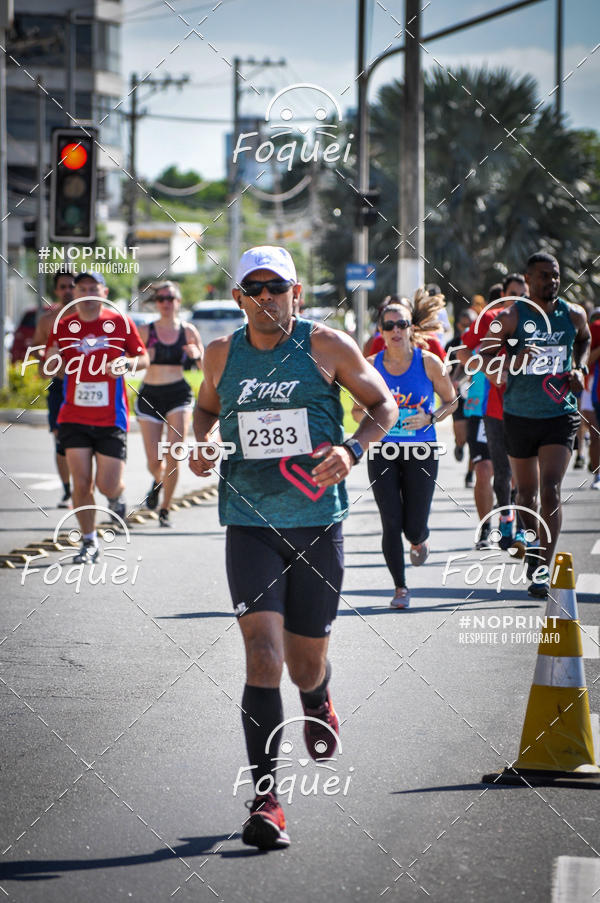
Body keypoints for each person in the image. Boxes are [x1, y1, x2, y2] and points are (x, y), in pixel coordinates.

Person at [189, 246, 397, 850]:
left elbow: (383, 405)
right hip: (248, 523)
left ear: (296, 292)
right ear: (239, 297)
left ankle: (318, 694)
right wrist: (200, 443)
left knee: (304, 665)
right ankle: (266, 800)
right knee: (262, 657)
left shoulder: (326, 346)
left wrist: (352, 450)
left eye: (276, 287)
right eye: (254, 288)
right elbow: (205, 410)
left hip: (316, 524)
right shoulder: (222, 354)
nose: (266, 297)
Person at [480, 251, 591, 598]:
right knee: (524, 493)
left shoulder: (573, 314)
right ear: (527, 280)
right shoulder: (510, 316)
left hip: (560, 414)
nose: (552, 281)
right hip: (519, 414)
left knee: (551, 489)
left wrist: (580, 367)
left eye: (555, 275)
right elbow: (483, 353)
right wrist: (511, 359)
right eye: (544, 275)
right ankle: (534, 549)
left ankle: (544, 563)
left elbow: (585, 339)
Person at [354, 292, 456, 608]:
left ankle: (419, 538)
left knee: (413, 525)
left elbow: (452, 401)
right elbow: (357, 411)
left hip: (421, 451)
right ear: (381, 331)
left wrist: (430, 416)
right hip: (382, 450)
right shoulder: (370, 367)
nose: (396, 330)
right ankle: (400, 588)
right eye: (389, 325)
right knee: (390, 521)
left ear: (411, 328)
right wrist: (376, 417)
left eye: (402, 324)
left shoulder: (429, 363)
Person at [43, 271, 149, 563]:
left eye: (94, 288)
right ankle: (88, 541)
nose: (88, 294)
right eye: (82, 289)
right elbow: (49, 364)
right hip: (73, 417)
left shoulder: (120, 322)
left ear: (104, 293)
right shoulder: (63, 325)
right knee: (82, 483)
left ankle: (116, 498)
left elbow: (143, 358)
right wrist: (54, 362)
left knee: (107, 483)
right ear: (75, 294)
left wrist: (127, 363)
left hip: (110, 418)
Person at [457, 274, 529, 550]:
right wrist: (489, 370)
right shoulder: (491, 319)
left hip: (530, 409)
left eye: (523, 294)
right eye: (512, 293)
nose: (518, 300)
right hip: (489, 407)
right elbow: (463, 351)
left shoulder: (539, 322)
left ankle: (520, 529)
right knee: (492, 471)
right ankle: (493, 524)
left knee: (524, 473)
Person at [135, 281, 203, 527]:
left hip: (178, 395)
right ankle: (158, 480)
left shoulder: (189, 331)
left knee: (174, 454)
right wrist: (143, 359)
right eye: (161, 299)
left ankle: (165, 509)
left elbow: (207, 369)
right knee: (154, 460)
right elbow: (128, 362)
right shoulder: (145, 331)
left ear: (178, 301)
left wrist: (197, 357)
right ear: (157, 303)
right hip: (150, 395)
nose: (166, 303)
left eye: (170, 298)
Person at [31, 268, 75, 507]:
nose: (67, 291)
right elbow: (36, 346)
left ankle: (83, 485)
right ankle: (68, 490)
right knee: (61, 441)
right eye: (63, 287)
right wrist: (44, 355)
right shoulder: (48, 320)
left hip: (88, 387)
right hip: (59, 385)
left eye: (72, 286)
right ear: (56, 290)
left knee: (84, 440)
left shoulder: (93, 316)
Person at [444, 308, 475, 477]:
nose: (468, 328)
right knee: (463, 436)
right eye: (465, 325)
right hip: (458, 396)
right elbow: (446, 370)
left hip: (477, 395)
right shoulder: (452, 345)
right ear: (458, 326)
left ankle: (470, 472)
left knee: (474, 438)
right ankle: (459, 444)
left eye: (471, 325)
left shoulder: (483, 344)